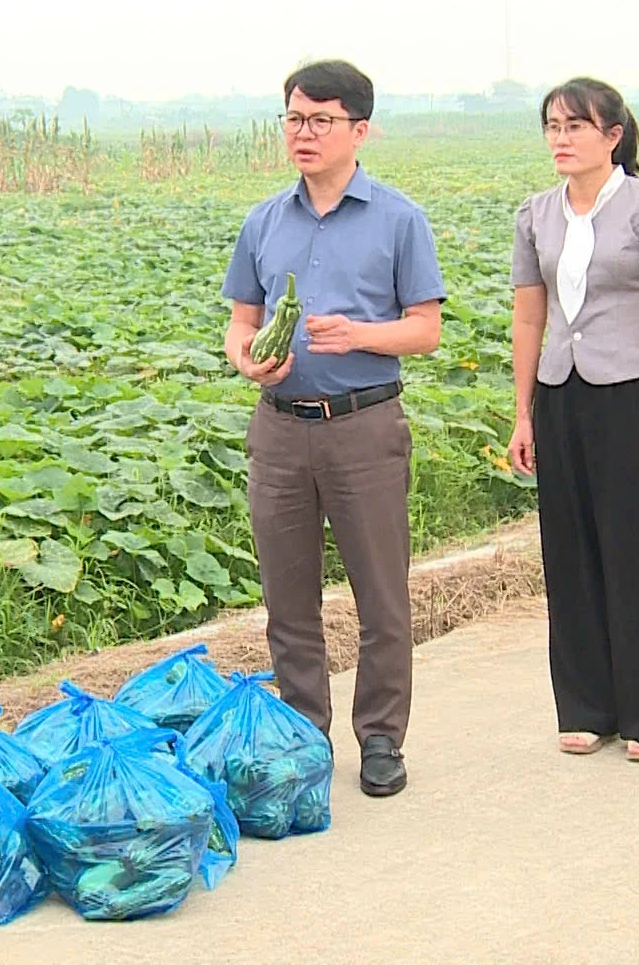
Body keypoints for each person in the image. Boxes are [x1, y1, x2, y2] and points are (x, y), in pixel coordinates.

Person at [220, 59, 446, 798]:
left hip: (364, 426)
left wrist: (360, 335)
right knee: (288, 598)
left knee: (381, 596)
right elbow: (240, 322)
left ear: (360, 130)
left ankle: (380, 737)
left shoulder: (398, 219)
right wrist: (247, 360)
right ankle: (302, 734)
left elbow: (425, 329)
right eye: (294, 118)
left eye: (321, 120)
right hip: (280, 428)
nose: (304, 133)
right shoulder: (264, 221)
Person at [506, 78, 639, 762]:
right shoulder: (535, 214)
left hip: (631, 392)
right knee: (570, 552)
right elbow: (530, 317)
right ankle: (586, 708)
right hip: (561, 391)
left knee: (638, 553)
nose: (561, 139)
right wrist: (523, 413)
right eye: (553, 126)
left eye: (576, 126)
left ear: (613, 135)